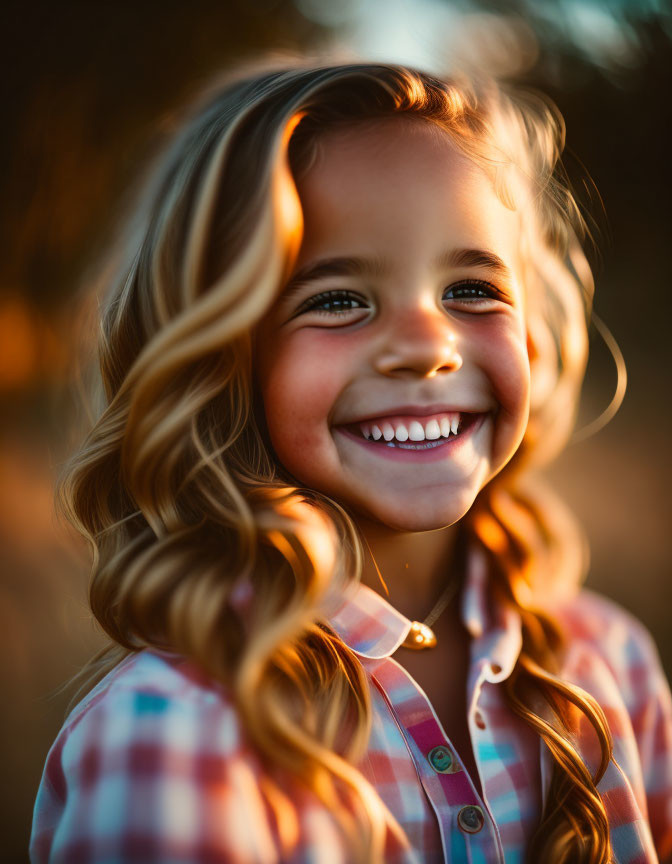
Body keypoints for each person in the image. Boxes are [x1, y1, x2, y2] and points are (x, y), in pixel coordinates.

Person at [29, 59, 672, 864]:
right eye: (337, 300)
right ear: (222, 357)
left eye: (472, 289)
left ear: (533, 333)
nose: (427, 347)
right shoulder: (175, 736)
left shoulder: (610, 664)